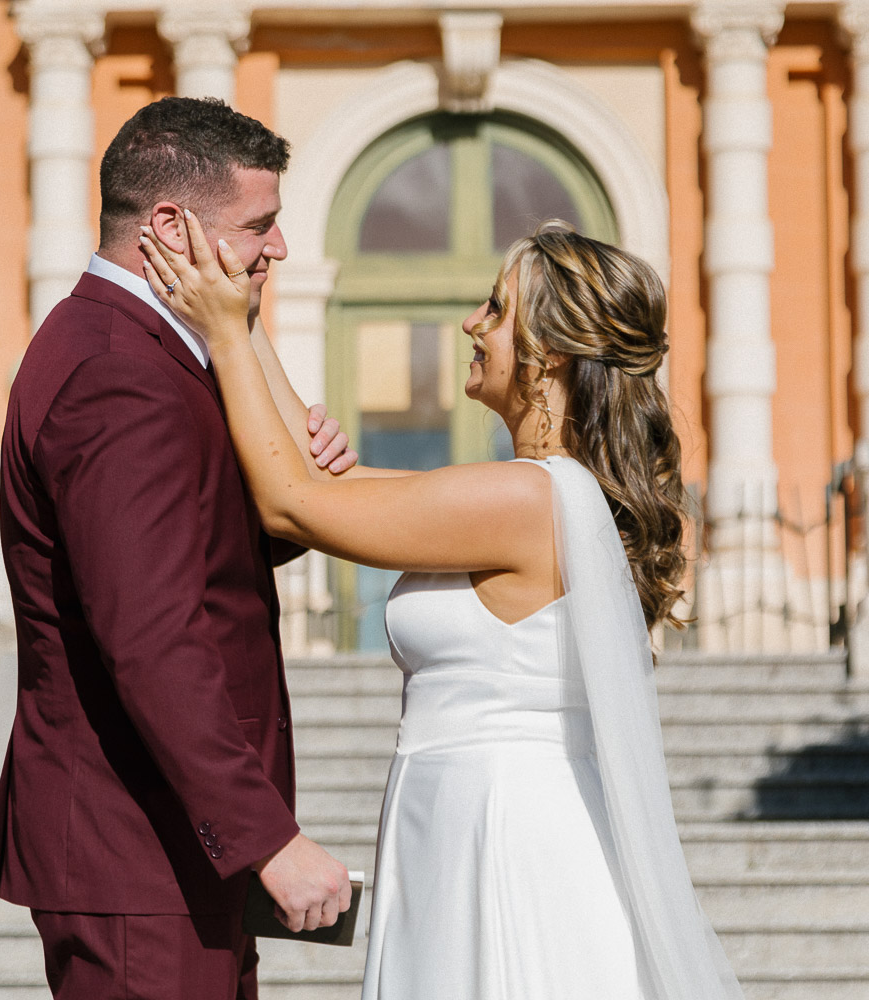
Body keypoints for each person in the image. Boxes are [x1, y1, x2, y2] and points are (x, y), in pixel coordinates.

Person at [139, 215, 749, 1000]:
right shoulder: (536, 489)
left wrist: (221, 335)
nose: (472, 323)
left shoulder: (530, 498)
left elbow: (294, 507)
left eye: (497, 309)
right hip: (461, 809)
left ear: (552, 352)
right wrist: (248, 312)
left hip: (503, 828)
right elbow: (330, 485)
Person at [0, 97, 357, 1000]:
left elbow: (190, 557)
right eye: (258, 225)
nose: (280, 249)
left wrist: (293, 485)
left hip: (166, 852)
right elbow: (149, 634)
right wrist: (266, 837)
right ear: (171, 226)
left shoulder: (147, 351)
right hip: (136, 854)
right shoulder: (117, 372)